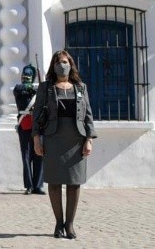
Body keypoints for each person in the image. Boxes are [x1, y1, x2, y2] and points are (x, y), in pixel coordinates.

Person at [32, 50, 97, 240]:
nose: (62, 65)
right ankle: (58, 223)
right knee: (54, 182)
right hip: (53, 139)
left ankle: (70, 224)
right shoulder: (46, 88)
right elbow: (36, 115)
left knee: (74, 183)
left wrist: (89, 139)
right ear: (53, 66)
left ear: (71, 64)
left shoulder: (80, 87)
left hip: (76, 140)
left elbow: (88, 115)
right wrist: (37, 138)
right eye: (58, 62)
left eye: (65, 61)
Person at [13, 63, 45, 195]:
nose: (26, 77)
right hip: (24, 125)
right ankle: (29, 185)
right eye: (24, 75)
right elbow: (22, 89)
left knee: (39, 155)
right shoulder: (19, 88)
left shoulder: (39, 89)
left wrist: (41, 87)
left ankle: (38, 185)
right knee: (26, 156)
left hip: (38, 126)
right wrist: (34, 87)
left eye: (29, 75)